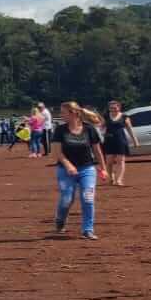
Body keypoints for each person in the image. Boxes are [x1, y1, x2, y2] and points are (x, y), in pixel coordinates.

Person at [53, 101, 106, 239]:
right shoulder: (60, 130)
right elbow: (57, 152)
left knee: (88, 198)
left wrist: (103, 168)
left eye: (63, 112)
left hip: (87, 168)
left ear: (74, 113)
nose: (61, 115)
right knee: (66, 199)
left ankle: (88, 229)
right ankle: (60, 220)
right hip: (65, 170)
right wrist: (68, 165)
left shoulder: (89, 129)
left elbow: (97, 150)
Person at [101, 101, 138, 187]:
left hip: (120, 140)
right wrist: (102, 131)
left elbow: (129, 129)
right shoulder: (106, 116)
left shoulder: (124, 117)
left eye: (115, 107)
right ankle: (111, 178)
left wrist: (135, 140)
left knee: (120, 161)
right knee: (109, 161)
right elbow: (101, 126)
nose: (113, 109)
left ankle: (119, 180)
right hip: (109, 140)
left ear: (119, 107)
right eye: (111, 108)